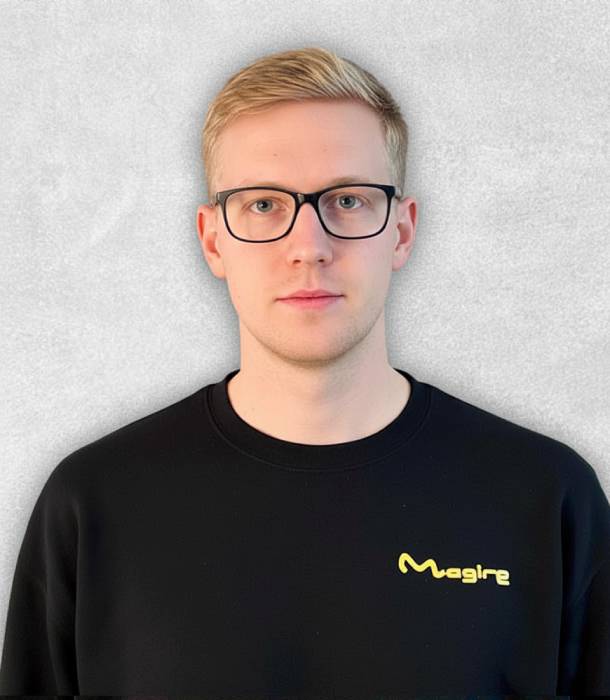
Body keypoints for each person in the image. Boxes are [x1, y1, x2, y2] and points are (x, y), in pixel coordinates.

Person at [0, 45, 608, 697]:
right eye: (263, 205)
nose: (308, 247)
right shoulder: (93, 503)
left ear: (402, 231)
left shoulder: (546, 497)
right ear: (212, 240)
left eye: (348, 199)